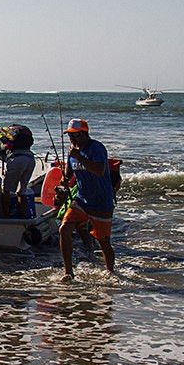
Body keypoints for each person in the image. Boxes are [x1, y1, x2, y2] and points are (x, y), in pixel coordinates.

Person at [59, 118, 115, 281]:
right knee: (64, 229)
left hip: (101, 201)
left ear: (84, 133)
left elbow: (99, 170)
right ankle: (68, 273)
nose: (71, 138)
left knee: (103, 241)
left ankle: (111, 273)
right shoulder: (72, 152)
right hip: (81, 200)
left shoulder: (96, 148)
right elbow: (69, 174)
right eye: (69, 135)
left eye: (75, 135)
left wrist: (79, 157)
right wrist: (64, 181)